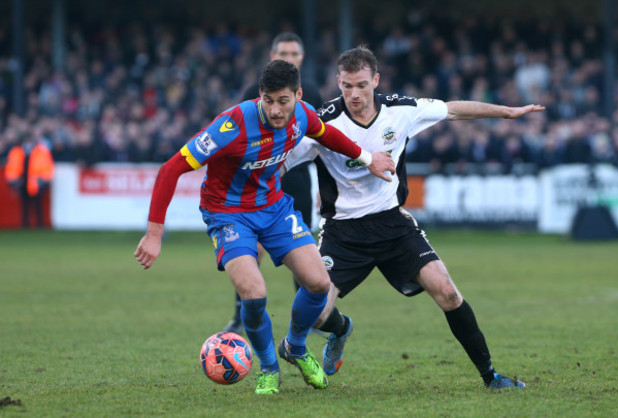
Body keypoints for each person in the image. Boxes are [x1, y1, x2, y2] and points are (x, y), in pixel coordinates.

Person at [283, 46, 545, 389]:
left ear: (375, 80)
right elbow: (280, 159)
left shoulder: (400, 110)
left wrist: (506, 113)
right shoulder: (323, 123)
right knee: (317, 316)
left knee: (448, 292)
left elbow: (453, 110)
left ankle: (490, 376)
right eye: (347, 86)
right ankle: (342, 329)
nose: (354, 94)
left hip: (393, 224)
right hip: (342, 232)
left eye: (362, 85)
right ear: (338, 82)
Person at [133, 60, 395, 395]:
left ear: (298, 96)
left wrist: (368, 158)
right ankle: (269, 368)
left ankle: (295, 347)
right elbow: (171, 169)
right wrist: (155, 233)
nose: (274, 109)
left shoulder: (303, 115)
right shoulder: (232, 125)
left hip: (273, 207)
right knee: (253, 294)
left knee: (318, 283)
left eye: (283, 101)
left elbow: (327, 135)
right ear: (260, 95)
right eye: (268, 100)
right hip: (228, 214)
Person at [223, 32, 324, 335]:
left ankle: (306, 320)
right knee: (249, 252)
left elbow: (323, 142)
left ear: (301, 58)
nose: (288, 57)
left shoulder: (314, 95)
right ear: (272, 54)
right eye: (283, 52)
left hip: (298, 179)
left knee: (301, 248)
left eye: (294, 53)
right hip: (261, 182)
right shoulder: (252, 96)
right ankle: (241, 315)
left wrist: (325, 187)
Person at [5, 131, 55, 228]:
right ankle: (25, 224)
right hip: (22, 183)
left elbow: (47, 168)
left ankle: (40, 224)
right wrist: (15, 182)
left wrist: (42, 181)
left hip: (37, 183)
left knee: (38, 205)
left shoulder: (41, 151)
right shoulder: (17, 151)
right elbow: (12, 168)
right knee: (25, 206)